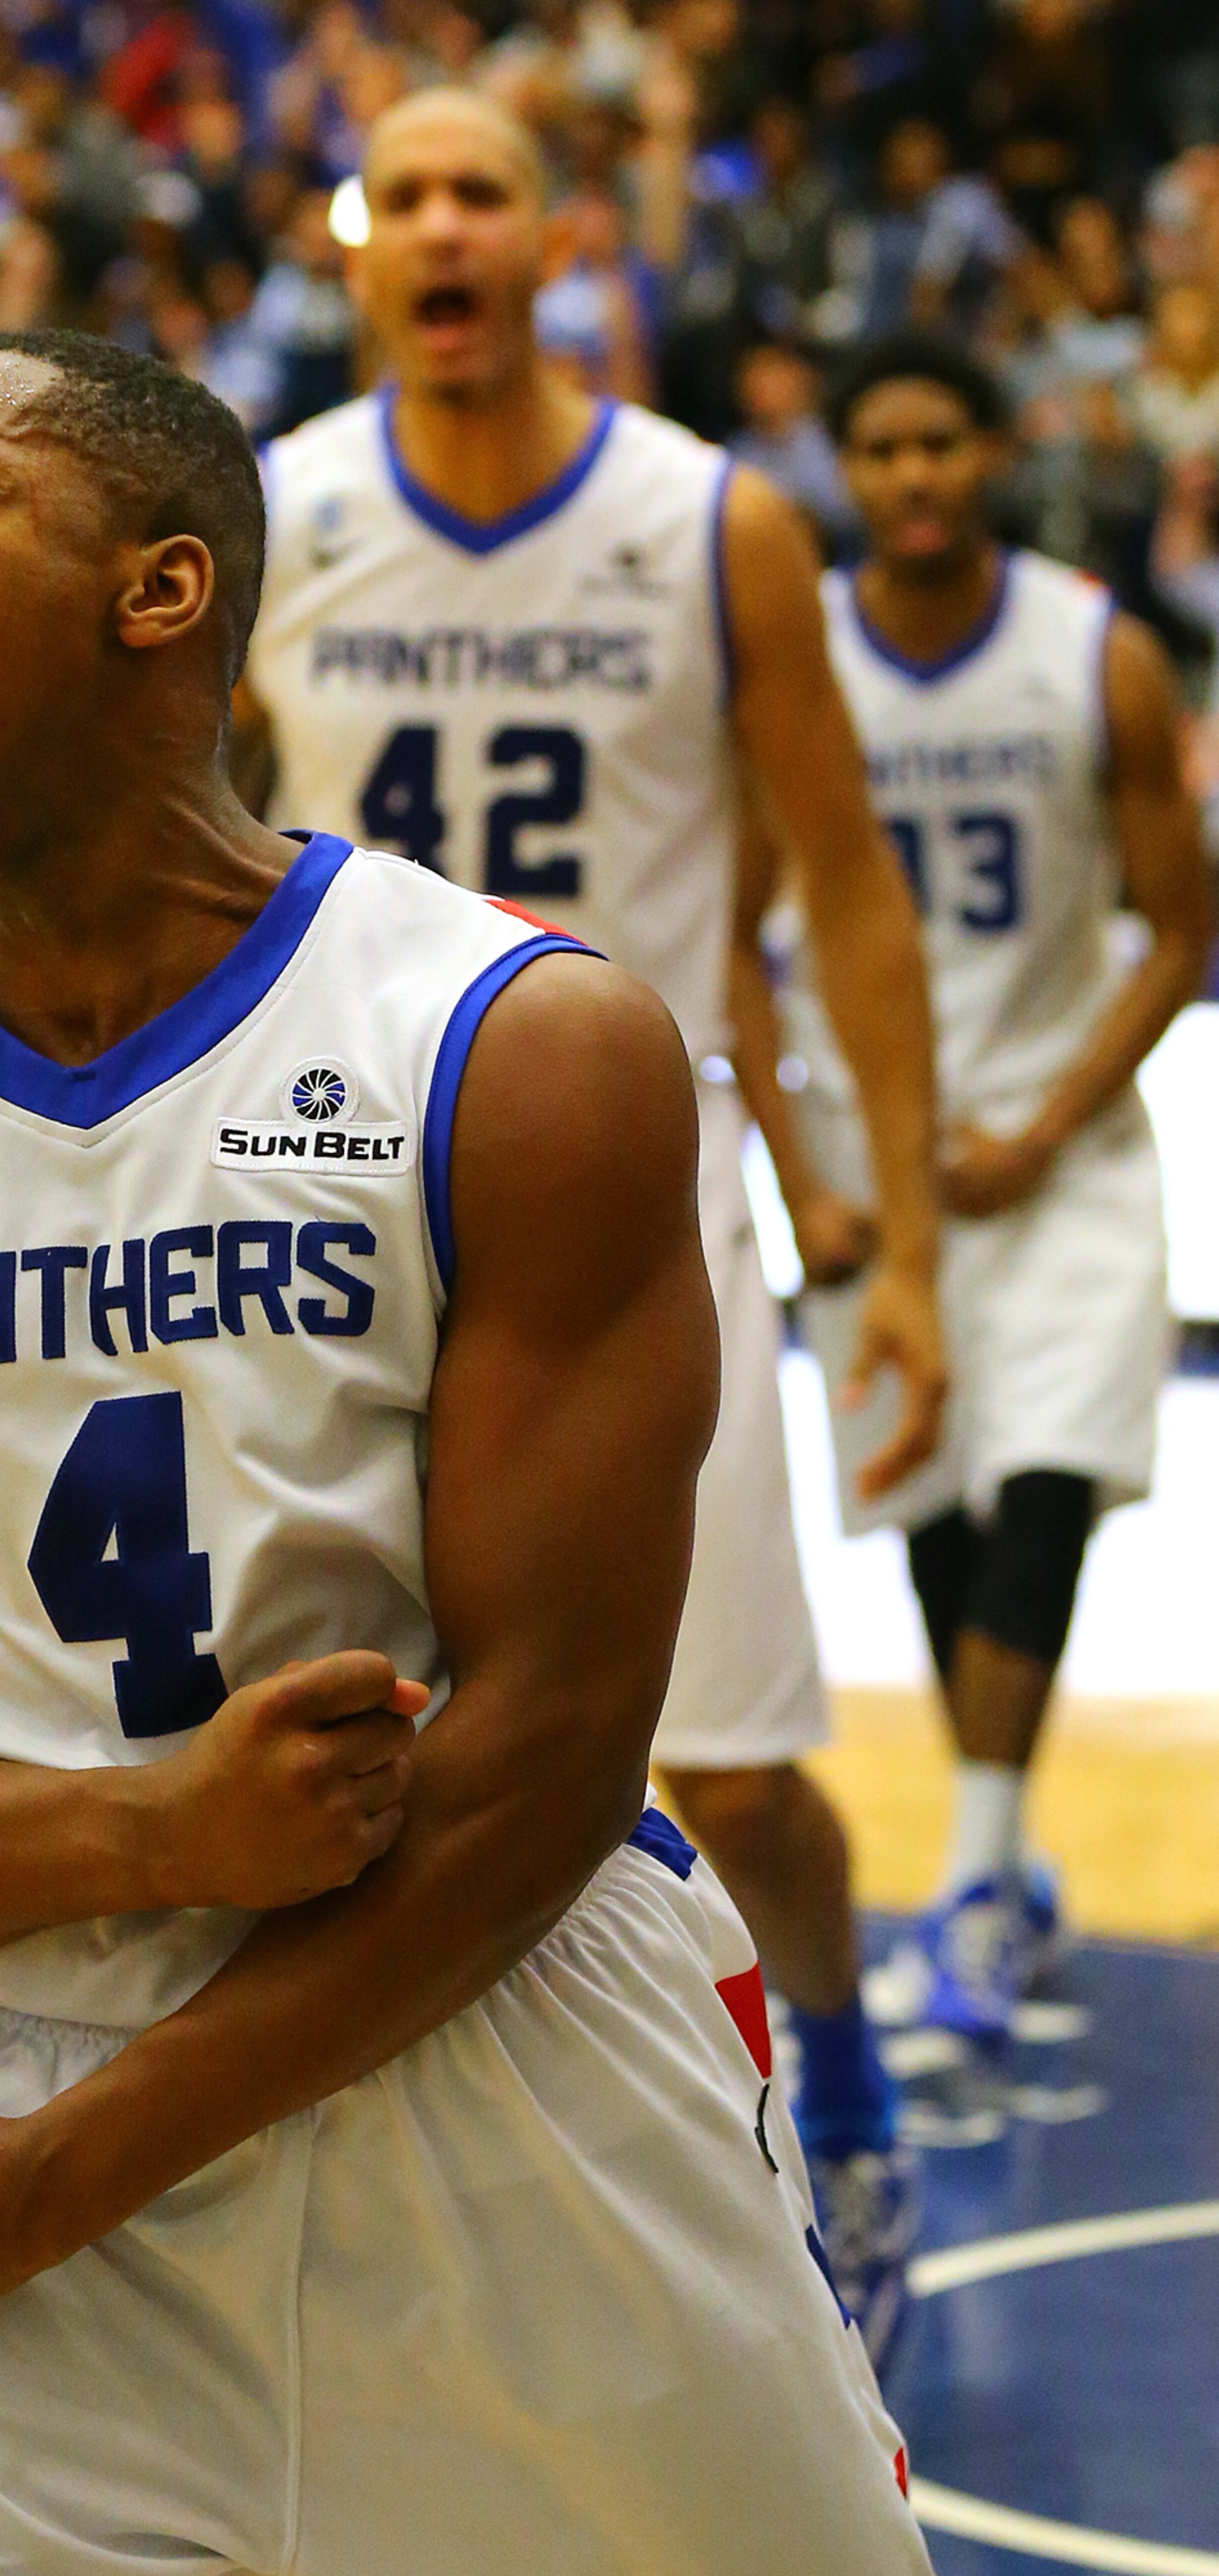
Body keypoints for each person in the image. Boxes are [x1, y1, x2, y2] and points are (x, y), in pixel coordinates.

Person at [0, 331, 929, 2574]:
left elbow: (538, 1763)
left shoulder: (518, 1054)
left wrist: (74, 2164)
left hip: (495, 2093)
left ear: (163, 592)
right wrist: (150, 1830)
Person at [239, 85, 943, 2359]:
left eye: (481, 192)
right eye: (401, 197)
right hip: (339, 1195)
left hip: (642, 1185)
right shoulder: (275, 510)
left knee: (725, 1758)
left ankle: (840, 2076)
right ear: (358, 252)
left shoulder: (712, 522)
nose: (443, 229)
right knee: (358, 1750)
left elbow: (846, 881)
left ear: (553, 238)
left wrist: (903, 1238)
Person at [739, 331, 1214, 2049]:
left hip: (1063, 1154)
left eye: (946, 441)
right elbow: (735, 938)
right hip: (882, 1166)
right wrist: (801, 1171)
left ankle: (978, 1877)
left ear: (998, 453)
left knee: (1044, 1494)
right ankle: (1004, 1876)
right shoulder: (796, 673)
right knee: (937, 1525)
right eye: (882, 448)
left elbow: (1183, 925)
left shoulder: (1099, 655)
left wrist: (1055, 1116)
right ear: (846, 474)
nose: (916, 475)